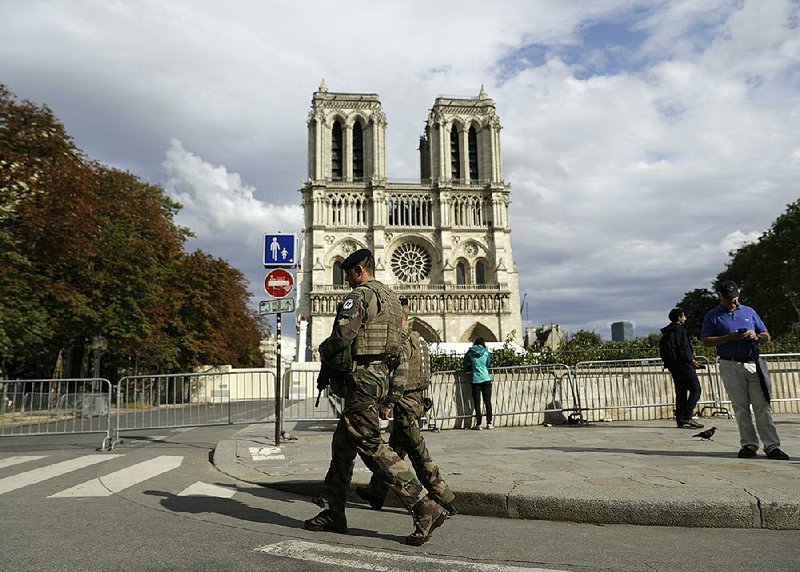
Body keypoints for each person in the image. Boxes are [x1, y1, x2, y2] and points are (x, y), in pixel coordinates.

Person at [304, 248, 448, 545]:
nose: (347, 282)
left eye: (348, 276)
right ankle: (333, 510)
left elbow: (343, 336)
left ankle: (423, 504)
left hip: (362, 378)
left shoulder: (360, 296)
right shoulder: (393, 299)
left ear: (358, 270)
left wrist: (324, 351)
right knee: (343, 444)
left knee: (369, 443)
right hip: (381, 376)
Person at [357, 298, 458, 516]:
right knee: (395, 450)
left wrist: (389, 403)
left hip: (405, 402)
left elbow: (401, 376)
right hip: (417, 400)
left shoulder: (401, 342)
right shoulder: (419, 339)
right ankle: (376, 492)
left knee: (417, 452)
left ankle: (444, 497)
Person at [701, 281, 790, 460]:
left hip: (753, 362)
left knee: (762, 406)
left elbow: (766, 335)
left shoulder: (749, 311)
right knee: (741, 407)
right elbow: (706, 340)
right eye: (728, 299)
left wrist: (756, 336)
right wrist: (729, 337)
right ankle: (749, 445)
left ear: (738, 295)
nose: (732, 302)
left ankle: (772, 446)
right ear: (720, 297)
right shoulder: (713, 315)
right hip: (730, 364)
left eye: (734, 298)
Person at [660, 308, 704, 429]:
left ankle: (680, 420)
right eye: (683, 316)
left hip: (673, 366)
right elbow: (683, 348)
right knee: (696, 389)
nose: (685, 318)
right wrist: (691, 361)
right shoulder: (680, 329)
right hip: (683, 365)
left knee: (681, 392)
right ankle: (687, 416)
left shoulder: (669, 331)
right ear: (679, 317)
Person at [463, 337, 493, 430]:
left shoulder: (470, 352)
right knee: (487, 401)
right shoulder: (486, 352)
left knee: (477, 402)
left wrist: (469, 369)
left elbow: (465, 364)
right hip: (486, 378)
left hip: (475, 379)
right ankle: (489, 423)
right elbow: (488, 363)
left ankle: (479, 423)